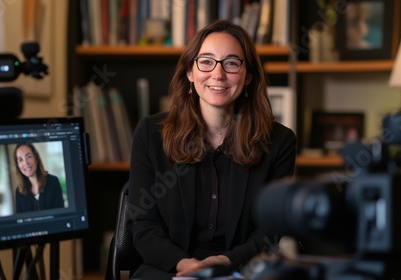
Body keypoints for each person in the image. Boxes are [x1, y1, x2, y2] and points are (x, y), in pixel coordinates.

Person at [127, 20, 296, 279]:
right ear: (189, 72)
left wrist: (227, 261)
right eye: (206, 61)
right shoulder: (151, 134)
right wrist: (185, 265)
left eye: (231, 63)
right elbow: (144, 225)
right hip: (169, 270)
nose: (218, 74)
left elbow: (269, 230)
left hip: (242, 269)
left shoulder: (279, 142)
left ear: (248, 76)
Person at [14, 143, 64, 213]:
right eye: (20, 160)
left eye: (29, 157)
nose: (26, 163)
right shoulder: (19, 191)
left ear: (36, 159)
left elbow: (60, 215)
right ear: (18, 165)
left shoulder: (53, 182)